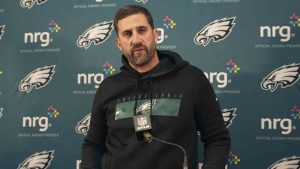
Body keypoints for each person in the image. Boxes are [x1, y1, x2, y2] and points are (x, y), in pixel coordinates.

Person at [81, 4, 230, 169]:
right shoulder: (108, 88)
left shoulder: (192, 79)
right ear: (119, 43)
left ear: (155, 34)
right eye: (127, 33)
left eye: (142, 30)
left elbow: (217, 139)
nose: (136, 39)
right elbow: (93, 145)